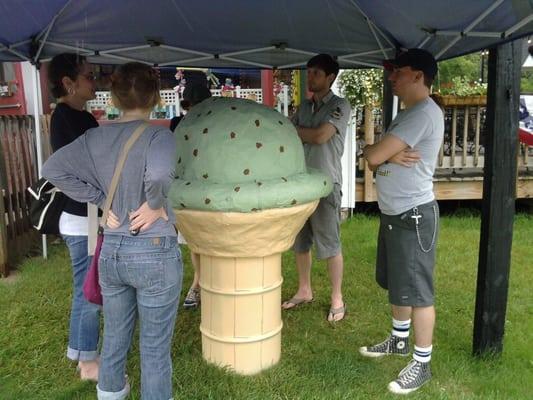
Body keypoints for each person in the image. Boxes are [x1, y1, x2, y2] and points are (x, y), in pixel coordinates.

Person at [43, 62, 182, 400]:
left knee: (115, 337)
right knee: (153, 348)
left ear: (115, 97)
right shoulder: (159, 135)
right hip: (155, 248)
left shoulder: (94, 135)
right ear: (155, 97)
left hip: (112, 252)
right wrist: (154, 203)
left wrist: (103, 199)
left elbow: (52, 169)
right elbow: (161, 175)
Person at [360, 48, 444, 394]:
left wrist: (383, 152)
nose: (392, 78)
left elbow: (374, 155)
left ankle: (421, 363)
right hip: (396, 213)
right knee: (398, 281)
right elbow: (371, 159)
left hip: (414, 215)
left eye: (399, 72)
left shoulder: (422, 113)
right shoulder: (408, 113)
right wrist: (384, 153)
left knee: (419, 292)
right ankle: (398, 340)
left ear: (418, 76)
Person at [282, 54, 351, 322]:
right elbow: (289, 133)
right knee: (300, 242)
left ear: (330, 77)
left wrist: (296, 130)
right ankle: (304, 290)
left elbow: (322, 136)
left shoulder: (340, 105)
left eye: (316, 74)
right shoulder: (304, 107)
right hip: (300, 185)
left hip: (325, 184)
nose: (310, 78)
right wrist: (300, 130)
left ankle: (337, 297)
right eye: (309, 72)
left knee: (329, 242)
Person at [47, 53, 100, 381]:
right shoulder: (64, 118)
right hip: (81, 220)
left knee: (90, 287)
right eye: (88, 76)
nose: (94, 81)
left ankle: (81, 350)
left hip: (92, 217)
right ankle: (87, 361)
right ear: (69, 83)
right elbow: (68, 172)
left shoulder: (85, 117)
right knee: (88, 290)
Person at [171, 83, 212, 309]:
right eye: (188, 105)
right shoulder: (178, 123)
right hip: (187, 189)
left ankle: (205, 282)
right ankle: (197, 283)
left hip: (210, 188)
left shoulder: (215, 125)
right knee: (193, 242)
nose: (192, 109)